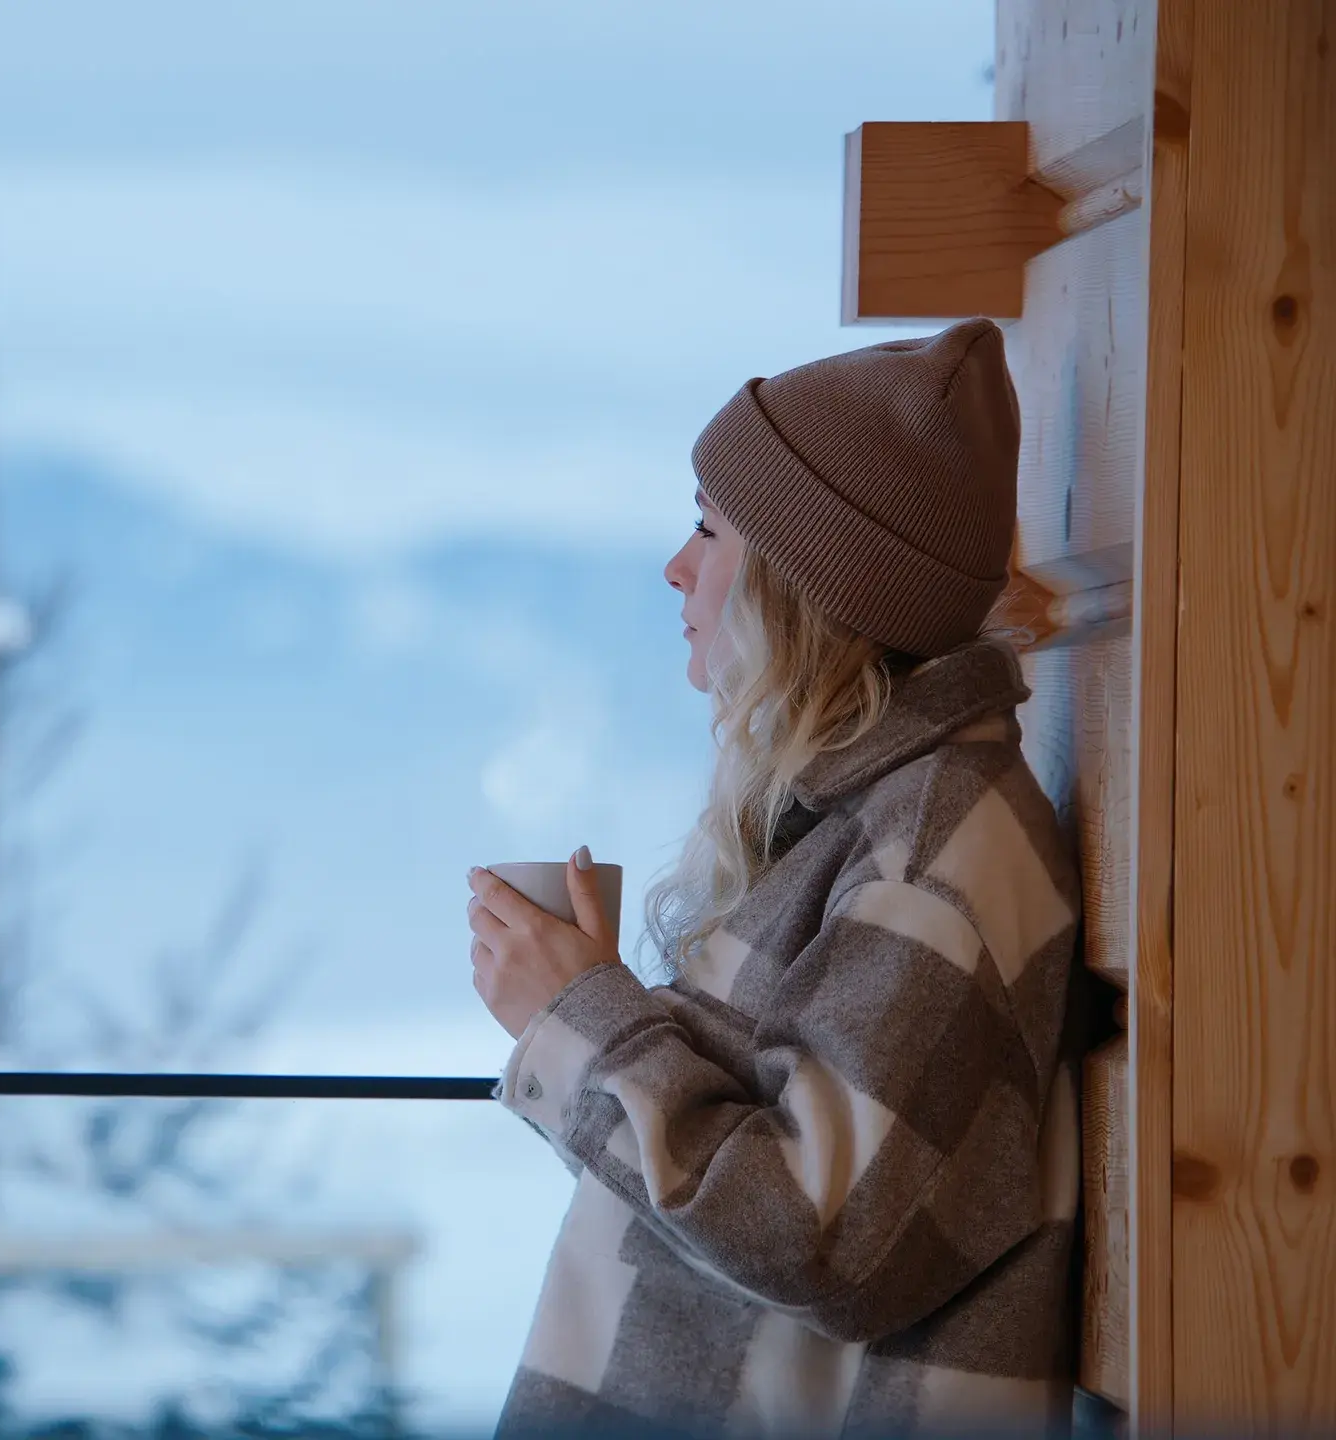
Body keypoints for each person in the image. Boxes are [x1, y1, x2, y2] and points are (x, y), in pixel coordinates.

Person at [465, 319, 1081, 1438]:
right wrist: (593, 1008)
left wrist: (581, 1021)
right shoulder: (863, 825)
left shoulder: (938, 847)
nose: (676, 565)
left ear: (811, 582)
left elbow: (826, 1240)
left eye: (708, 529)